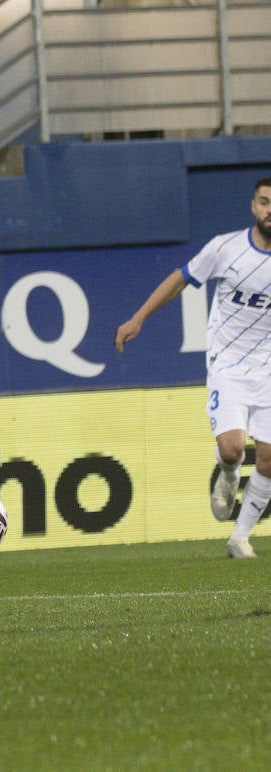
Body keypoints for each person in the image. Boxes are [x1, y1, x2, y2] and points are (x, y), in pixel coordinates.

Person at [115, 176, 271, 560]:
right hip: (228, 366)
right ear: (253, 206)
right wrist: (138, 318)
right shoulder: (226, 247)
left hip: (268, 370)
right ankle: (229, 473)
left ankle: (239, 537)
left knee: (269, 458)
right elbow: (180, 279)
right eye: (265, 202)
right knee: (233, 448)